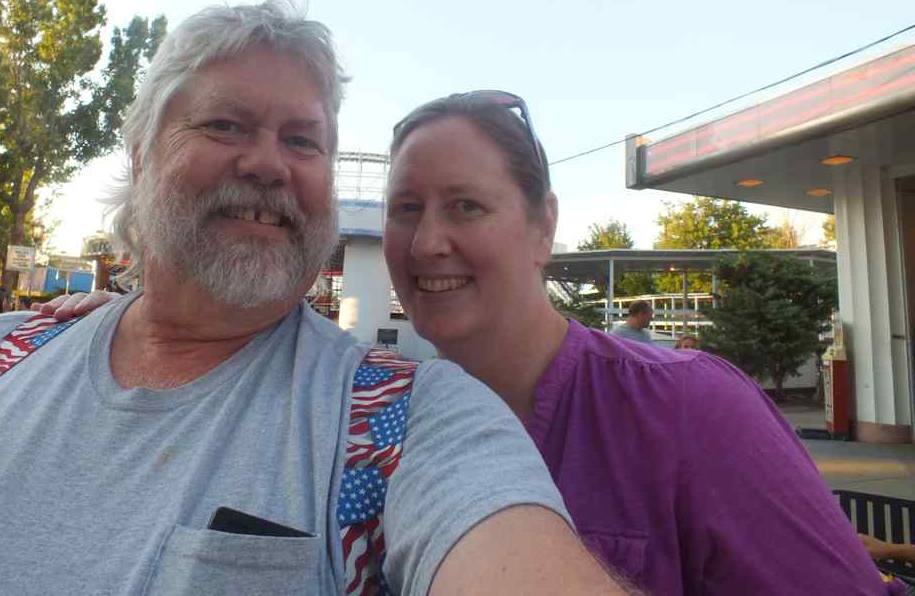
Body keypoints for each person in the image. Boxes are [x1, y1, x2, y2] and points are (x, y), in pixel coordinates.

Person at [0, 1, 629, 595]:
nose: (269, 164)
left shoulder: (403, 422)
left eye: (303, 141)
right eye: (225, 125)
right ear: (143, 156)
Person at [49, 88, 902, 594]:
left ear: (542, 226)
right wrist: (131, 325)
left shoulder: (690, 411)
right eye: (407, 209)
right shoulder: (371, 417)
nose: (428, 243)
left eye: (466, 206)